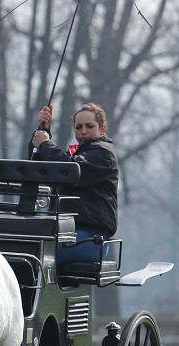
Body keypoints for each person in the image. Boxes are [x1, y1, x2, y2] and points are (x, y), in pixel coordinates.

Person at [30, 102, 118, 264]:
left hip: (91, 238)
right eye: (78, 127)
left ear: (102, 128)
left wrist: (45, 143)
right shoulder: (81, 153)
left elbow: (68, 171)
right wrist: (44, 130)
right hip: (67, 232)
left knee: (34, 254)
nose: (83, 131)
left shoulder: (103, 153)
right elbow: (41, 168)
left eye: (89, 126)